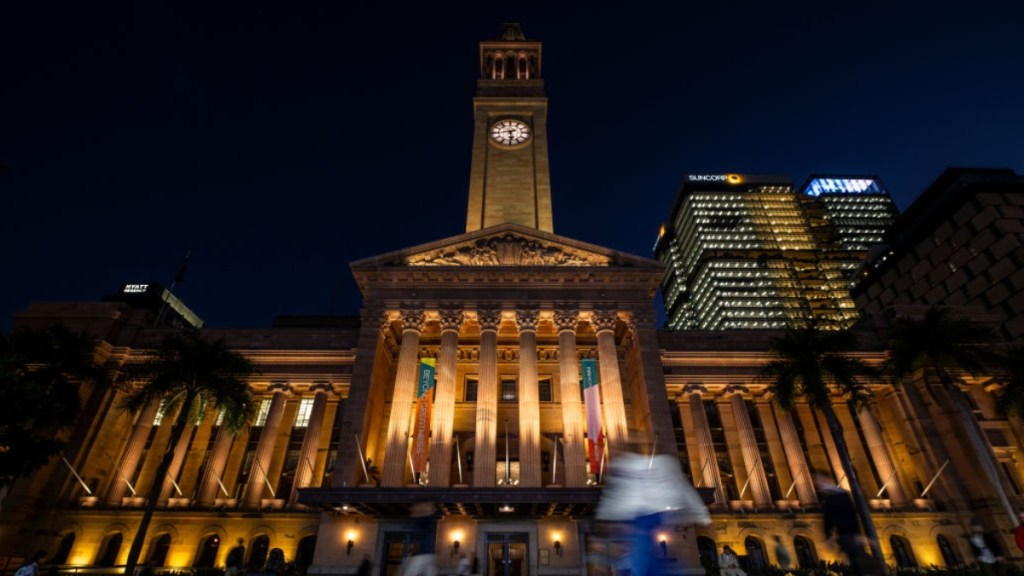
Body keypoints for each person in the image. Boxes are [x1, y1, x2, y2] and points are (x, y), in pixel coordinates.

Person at [596, 441, 710, 576]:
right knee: (646, 554)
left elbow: (614, 494)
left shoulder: (633, 465)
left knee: (642, 548)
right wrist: (701, 513)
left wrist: (604, 516)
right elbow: (682, 487)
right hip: (649, 514)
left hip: (643, 516)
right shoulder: (655, 463)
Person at [815, 474, 874, 576]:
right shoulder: (830, 496)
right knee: (855, 562)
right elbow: (828, 519)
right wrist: (829, 537)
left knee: (859, 563)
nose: (818, 485)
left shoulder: (839, 495)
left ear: (826, 480)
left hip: (848, 535)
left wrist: (858, 535)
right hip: (844, 536)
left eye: (820, 482)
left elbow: (849, 516)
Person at [401, 498, 438, 576]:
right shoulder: (427, 520)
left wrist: (415, 511)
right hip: (428, 554)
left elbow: (418, 517)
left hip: (422, 554)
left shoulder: (427, 520)